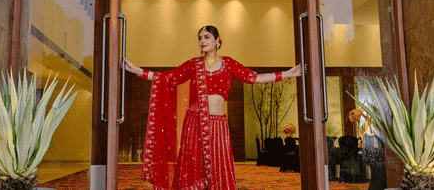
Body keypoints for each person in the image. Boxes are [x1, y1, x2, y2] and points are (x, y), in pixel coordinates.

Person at [124, 25, 301, 190]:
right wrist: (138, 71)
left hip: (217, 125)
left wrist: (286, 74)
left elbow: (255, 78)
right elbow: (168, 78)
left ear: (218, 40)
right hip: (194, 123)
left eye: (207, 37)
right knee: (192, 164)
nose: (202, 41)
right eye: (200, 38)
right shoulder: (193, 64)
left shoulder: (229, 63)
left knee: (218, 165)